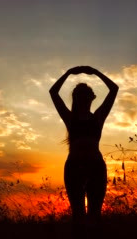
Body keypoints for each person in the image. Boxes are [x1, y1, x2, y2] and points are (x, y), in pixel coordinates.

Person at [49, 66, 118, 223]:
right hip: (74, 167)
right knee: (78, 215)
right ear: (75, 98)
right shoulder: (70, 118)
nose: (83, 98)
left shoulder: (98, 117)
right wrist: (67, 73)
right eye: (80, 95)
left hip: (96, 167)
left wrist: (95, 71)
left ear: (92, 97)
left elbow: (114, 89)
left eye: (86, 94)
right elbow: (53, 92)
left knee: (95, 215)